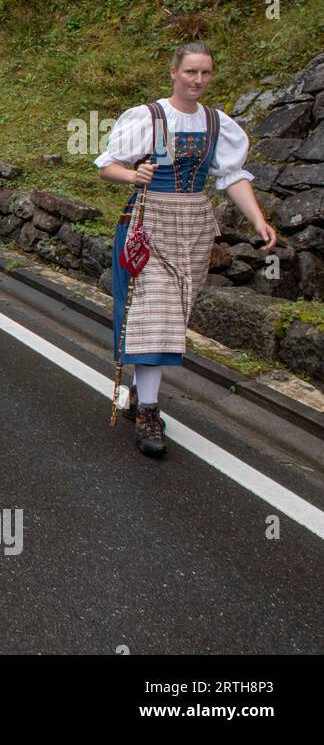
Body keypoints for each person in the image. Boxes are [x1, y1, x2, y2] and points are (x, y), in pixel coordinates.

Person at [95, 42, 277, 458]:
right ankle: (149, 414)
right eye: (191, 72)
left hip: (193, 227)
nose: (198, 80)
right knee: (154, 314)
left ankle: (140, 396)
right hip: (148, 226)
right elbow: (107, 167)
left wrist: (257, 219)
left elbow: (231, 176)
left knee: (172, 314)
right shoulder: (149, 118)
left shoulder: (218, 124)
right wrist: (133, 174)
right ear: (174, 72)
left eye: (205, 73)